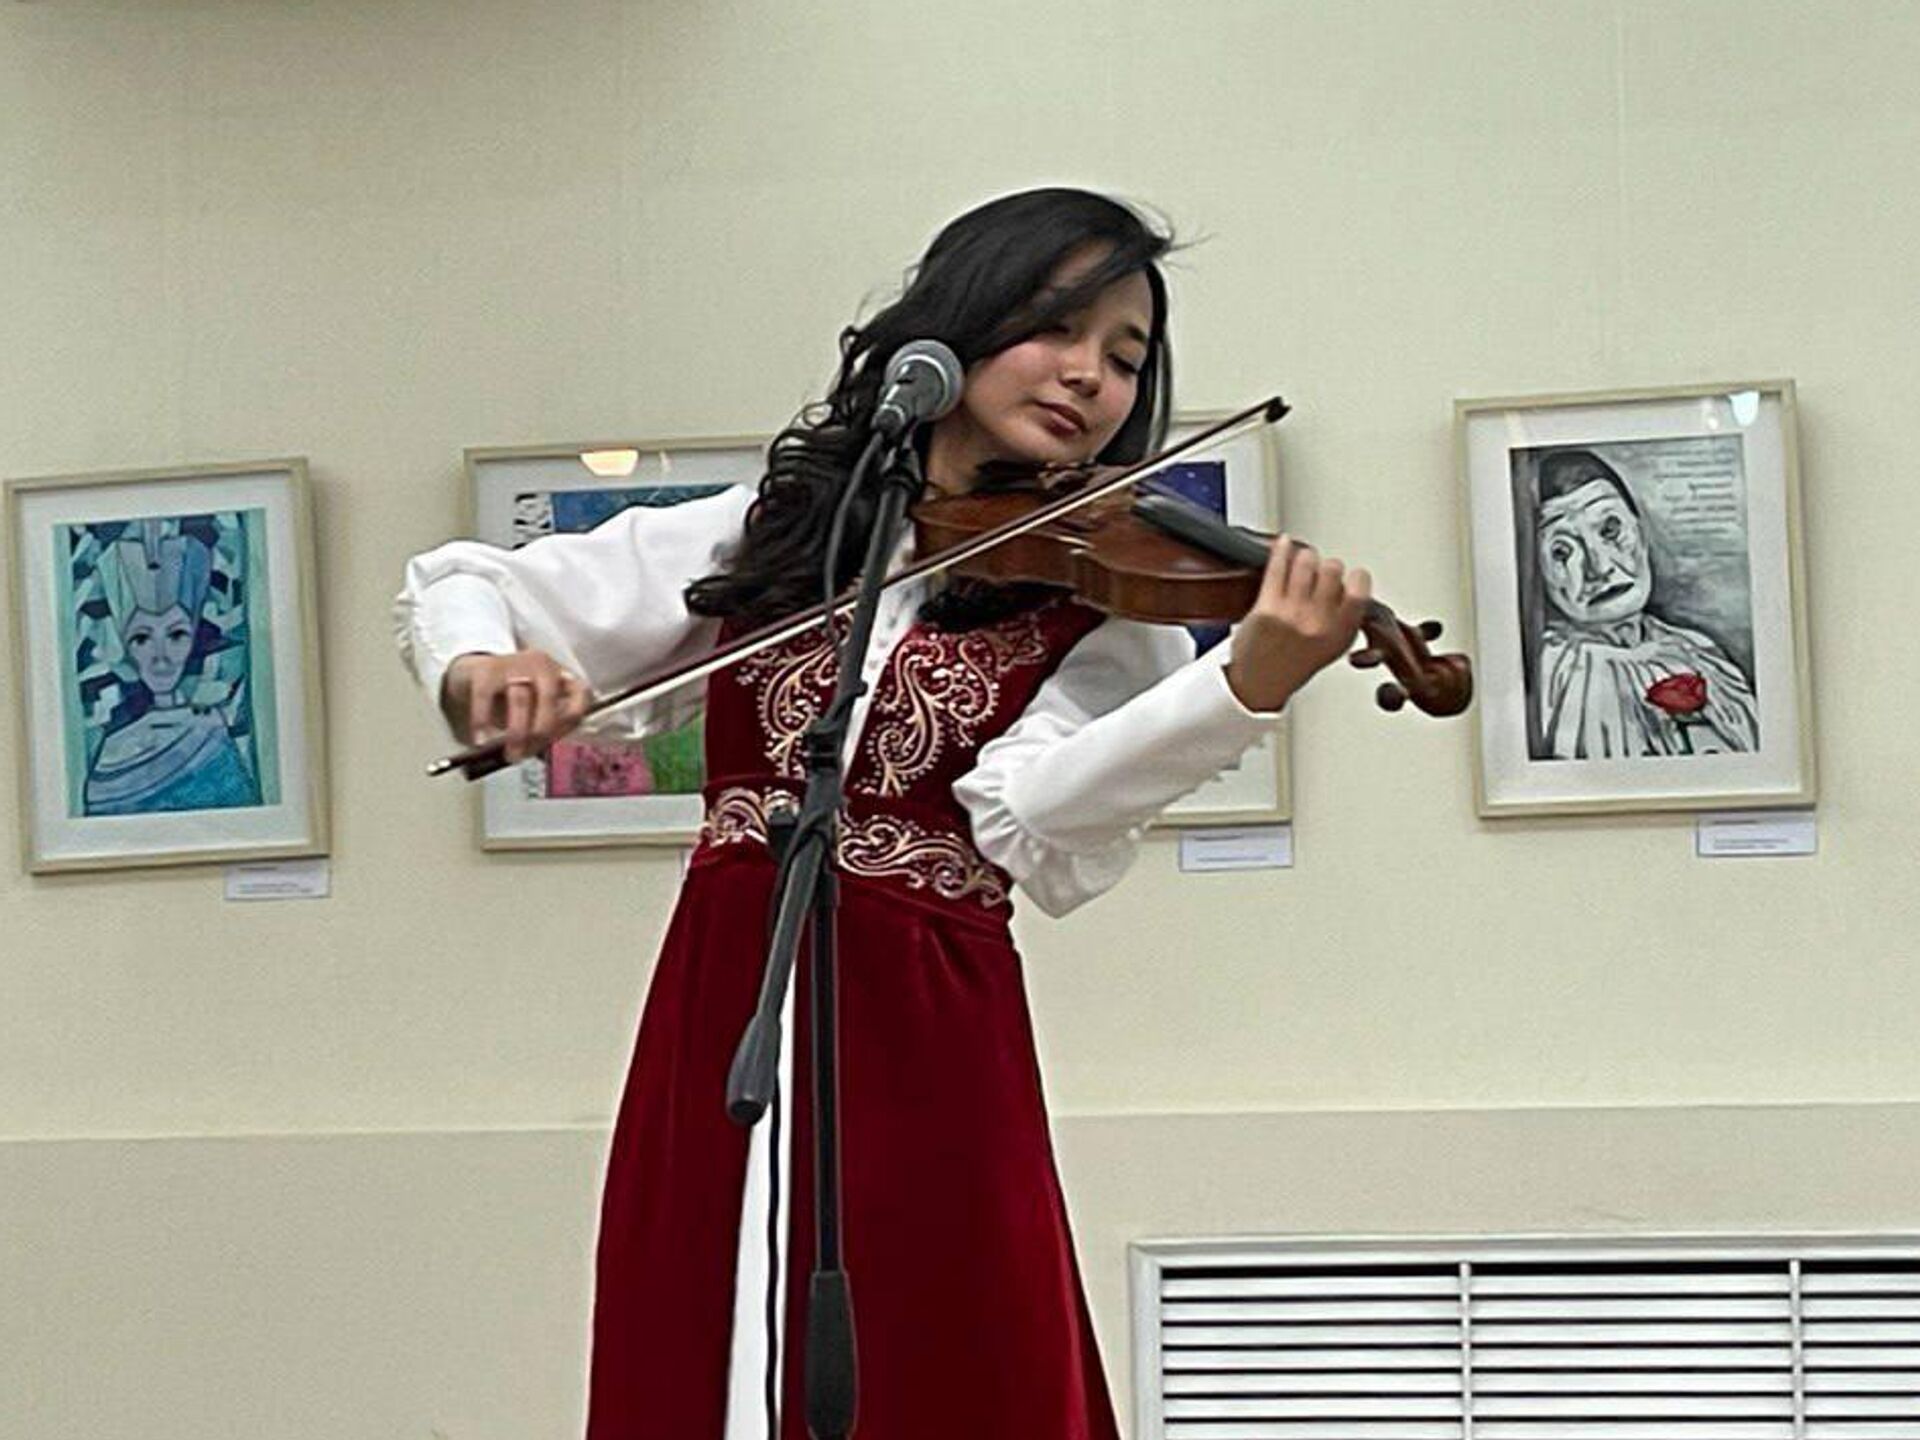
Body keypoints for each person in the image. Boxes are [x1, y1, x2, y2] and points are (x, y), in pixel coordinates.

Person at [394, 187, 1371, 1439]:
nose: (1090, 377)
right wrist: (480, 669)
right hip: (730, 993)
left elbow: (1029, 817)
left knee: (944, 1344)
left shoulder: (1100, 606)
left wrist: (1238, 688)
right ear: (957, 327)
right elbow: (474, 582)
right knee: (702, 1313)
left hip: (928, 1021)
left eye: (1126, 358)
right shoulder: (781, 533)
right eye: (1056, 328)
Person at [1531, 449, 1759, 759]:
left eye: (1610, 530)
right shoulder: (1547, 678)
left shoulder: (1700, 652)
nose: (1600, 567)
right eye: (1561, 552)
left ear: (1640, 534)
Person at [85, 518, 259, 815]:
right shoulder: (112, 751)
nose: (161, 658)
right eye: (142, 638)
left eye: (176, 635)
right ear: (126, 646)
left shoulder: (212, 729)